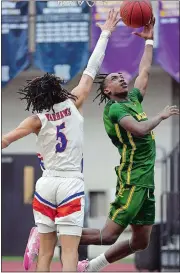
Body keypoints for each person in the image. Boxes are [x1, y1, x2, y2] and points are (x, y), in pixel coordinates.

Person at [21, 16, 179, 272]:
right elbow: (139, 129)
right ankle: (45, 236)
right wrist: (159, 116)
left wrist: (149, 39)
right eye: (115, 78)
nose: (122, 79)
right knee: (107, 236)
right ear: (107, 90)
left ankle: (85, 262)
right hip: (132, 177)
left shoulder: (134, 99)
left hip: (146, 179)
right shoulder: (115, 110)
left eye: (122, 77)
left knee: (141, 241)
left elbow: (146, 71)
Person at [1, 9, 120, 272]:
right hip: (70, 183)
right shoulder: (74, 101)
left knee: (45, 254)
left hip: (46, 184)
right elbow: (92, 68)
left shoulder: (35, 120)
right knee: (69, 253)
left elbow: (5, 140)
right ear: (57, 89)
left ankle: (36, 241)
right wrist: (106, 33)